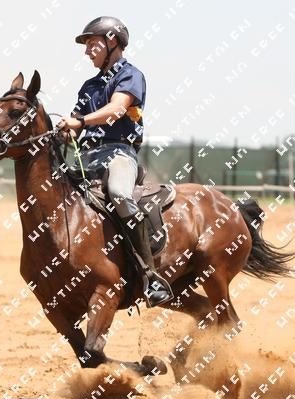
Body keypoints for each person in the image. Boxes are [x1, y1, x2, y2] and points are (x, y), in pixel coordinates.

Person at [56, 16, 173, 307]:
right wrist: (66, 131)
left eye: (91, 44)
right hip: (87, 156)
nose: (87, 51)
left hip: (119, 153)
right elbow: (75, 125)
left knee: (120, 194)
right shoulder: (89, 86)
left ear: (112, 42)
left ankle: (150, 276)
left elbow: (117, 110)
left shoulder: (131, 75)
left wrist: (81, 122)